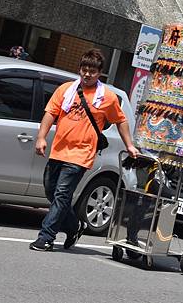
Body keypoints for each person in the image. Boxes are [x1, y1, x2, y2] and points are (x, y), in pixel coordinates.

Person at [30, 48, 139, 251]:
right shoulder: (65, 90)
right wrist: (41, 137)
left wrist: (129, 145)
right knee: (51, 191)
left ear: (100, 73)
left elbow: (121, 120)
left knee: (62, 194)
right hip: (59, 150)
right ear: (79, 69)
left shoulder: (106, 97)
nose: (87, 74)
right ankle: (75, 226)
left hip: (80, 155)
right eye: (84, 69)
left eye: (92, 71)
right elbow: (49, 113)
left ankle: (46, 237)